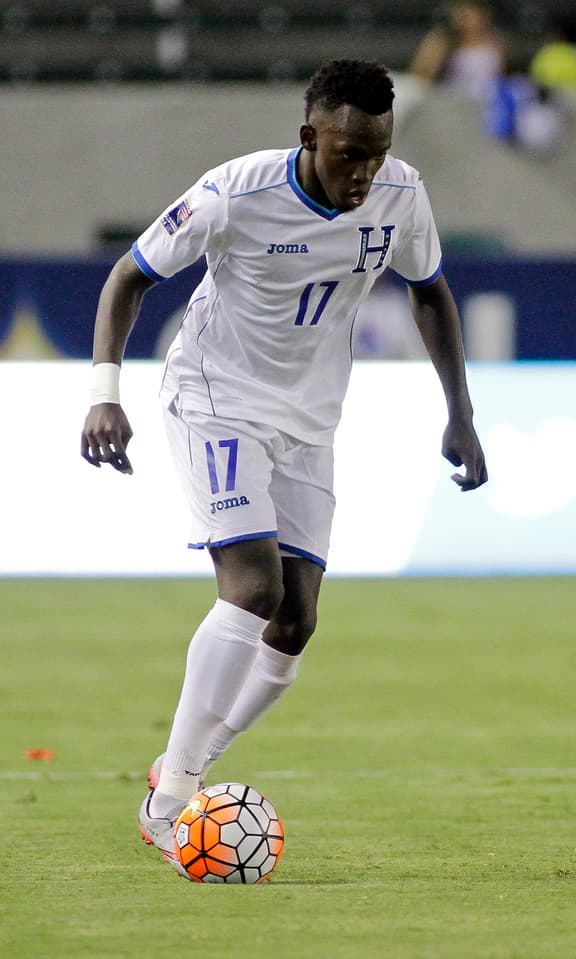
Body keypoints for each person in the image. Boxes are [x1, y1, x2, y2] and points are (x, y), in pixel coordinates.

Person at [80, 58, 488, 877]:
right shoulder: (235, 192)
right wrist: (104, 392)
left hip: (311, 419)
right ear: (310, 137)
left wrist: (461, 413)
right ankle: (170, 805)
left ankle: (187, 760)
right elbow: (130, 275)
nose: (364, 174)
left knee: (295, 620)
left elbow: (431, 293)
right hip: (214, 397)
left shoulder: (401, 195)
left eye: (377, 154)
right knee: (254, 586)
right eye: (348, 155)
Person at [409, 1, 508, 102]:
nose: (468, 19)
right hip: (452, 100)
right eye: (463, 13)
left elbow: (503, 77)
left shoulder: (496, 42)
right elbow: (420, 75)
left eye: (473, 13)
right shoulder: (442, 41)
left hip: (486, 100)